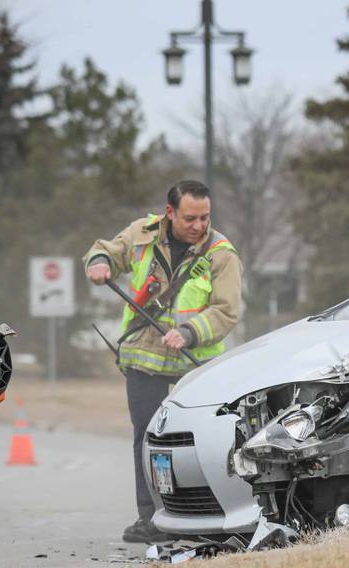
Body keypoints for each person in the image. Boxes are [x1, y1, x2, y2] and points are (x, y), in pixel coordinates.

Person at [83, 180, 243, 542]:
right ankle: (152, 519)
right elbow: (106, 251)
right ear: (170, 213)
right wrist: (99, 263)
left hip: (195, 364)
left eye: (205, 217)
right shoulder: (142, 234)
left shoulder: (222, 254)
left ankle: (208, 516)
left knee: (201, 441)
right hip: (145, 358)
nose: (199, 225)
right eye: (190, 218)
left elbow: (227, 311)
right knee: (146, 439)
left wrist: (189, 332)